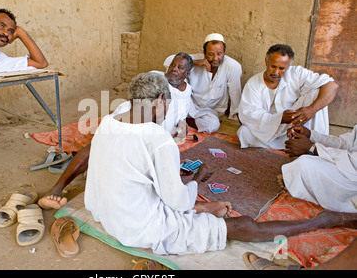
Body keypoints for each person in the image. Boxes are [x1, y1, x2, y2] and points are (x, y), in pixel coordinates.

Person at [84, 72, 357, 255]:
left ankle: (205, 208)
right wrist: (194, 181)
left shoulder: (108, 122)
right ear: (159, 100)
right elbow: (176, 202)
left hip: (108, 214)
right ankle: (324, 220)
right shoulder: (157, 138)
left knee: (196, 204)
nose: (167, 110)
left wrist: (201, 203)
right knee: (245, 225)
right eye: (167, 104)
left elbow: (135, 174)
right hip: (138, 227)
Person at [38, 53, 194, 210]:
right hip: (138, 138)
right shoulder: (148, 89)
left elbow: (181, 118)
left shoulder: (185, 93)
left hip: (153, 143)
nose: (174, 70)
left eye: (180, 68)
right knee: (98, 145)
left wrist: (181, 127)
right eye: (173, 65)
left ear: (187, 74)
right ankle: (58, 187)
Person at [237, 44, 339, 150]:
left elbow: (332, 86)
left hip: (291, 126)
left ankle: (315, 146)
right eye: (273, 66)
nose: (276, 72)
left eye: (282, 68)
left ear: (288, 67)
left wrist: (311, 110)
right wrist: (279, 119)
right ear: (266, 62)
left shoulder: (296, 73)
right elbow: (249, 114)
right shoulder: (253, 83)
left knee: (318, 92)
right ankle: (290, 145)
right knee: (244, 133)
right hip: (265, 129)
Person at [164, 33, 242, 134]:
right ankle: (181, 120)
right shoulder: (197, 59)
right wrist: (196, 62)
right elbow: (169, 60)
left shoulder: (232, 66)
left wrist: (235, 115)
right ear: (204, 53)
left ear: (224, 52)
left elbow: (235, 92)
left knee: (213, 125)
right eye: (211, 54)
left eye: (219, 54)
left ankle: (184, 122)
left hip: (209, 111)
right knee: (163, 78)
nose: (215, 58)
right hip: (189, 104)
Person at [282, 125, 357, 213]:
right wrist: (311, 135)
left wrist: (313, 148)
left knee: (305, 165)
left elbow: (353, 161)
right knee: (305, 162)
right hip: (349, 168)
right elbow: (345, 143)